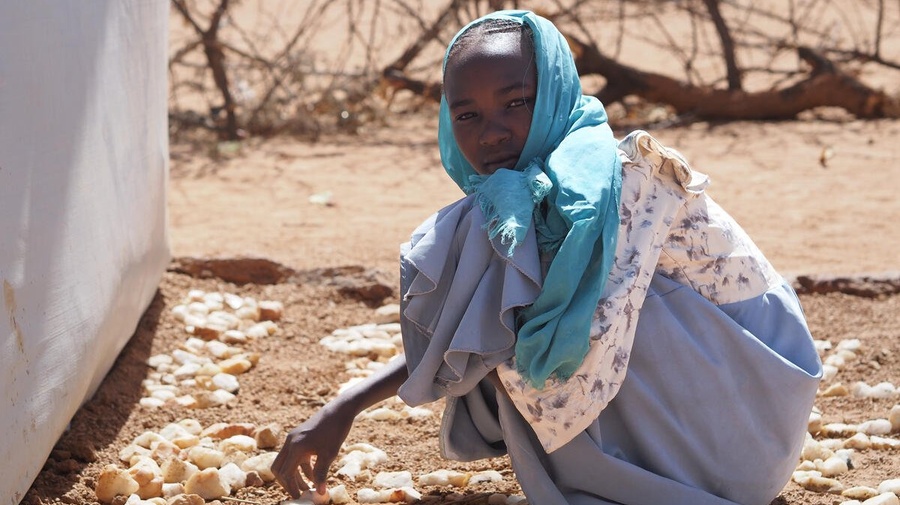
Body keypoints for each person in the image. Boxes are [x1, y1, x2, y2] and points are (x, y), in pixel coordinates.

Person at [273, 10, 822, 505]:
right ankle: (628, 470)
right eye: (467, 115)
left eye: (517, 104)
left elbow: (496, 326)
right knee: (495, 284)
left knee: (529, 305)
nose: (493, 132)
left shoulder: (616, 179)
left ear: (555, 91)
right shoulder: (509, 202)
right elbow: (467, 328)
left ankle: (629, 477)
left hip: (749, 425)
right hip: (716, 427)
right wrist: (341, 409)